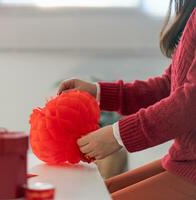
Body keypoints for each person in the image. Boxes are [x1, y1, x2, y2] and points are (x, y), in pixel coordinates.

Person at [57, 0, 196, 199]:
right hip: (186, 161)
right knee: (97, 192)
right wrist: (98, 93)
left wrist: (117, 136)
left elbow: (191, 103)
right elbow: (170, 86)